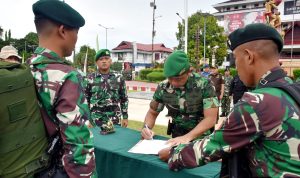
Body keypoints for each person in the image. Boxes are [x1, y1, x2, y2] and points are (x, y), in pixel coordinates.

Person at [159, 23, 300, 177]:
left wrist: (173, 154)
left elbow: (211, 148)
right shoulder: (293, 89)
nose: (236, 67)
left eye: (235, 59)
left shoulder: (256, 103)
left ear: (248, 57)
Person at [28, 0, 95, 177]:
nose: (77, 38)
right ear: (63, 30)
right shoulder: (67, 76)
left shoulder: (24, 69)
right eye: (76, 31)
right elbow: (78, 147)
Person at [141, 50, 219, 146]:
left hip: (201, 140)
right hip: (177, 136)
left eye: (178, 79)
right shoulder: (163, 87)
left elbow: (211, 118)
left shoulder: (204, 84)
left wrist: (186, 138)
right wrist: (146, 128)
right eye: (170, 78)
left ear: (188, 72)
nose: (173, 83)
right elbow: (152, 113)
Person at [85, 49, 129, 133]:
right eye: (101, 59)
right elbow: (85, 100)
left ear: (111, 61)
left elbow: (124, 99)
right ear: (96, 63)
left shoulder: (119, 78)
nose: (104, 61)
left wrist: (125, 117)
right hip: (96, 120)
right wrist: (88, 119)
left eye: (106, 58)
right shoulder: (89, 79)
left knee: (114, 142)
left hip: (114, 119)